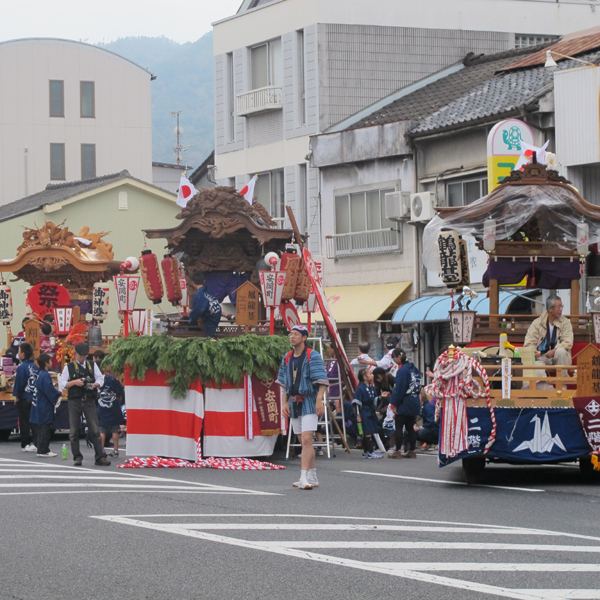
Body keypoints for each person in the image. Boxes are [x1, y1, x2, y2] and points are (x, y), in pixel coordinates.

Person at [278, 325, 329, 490]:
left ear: (304, 337)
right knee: (303, 441)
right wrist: (284, 402)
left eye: (296, 334)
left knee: (307, 439)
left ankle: (303, 477)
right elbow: (284, 383)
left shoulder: (312, 355)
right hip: (293, 402)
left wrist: (319, 399)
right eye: (291, 334)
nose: (292, 337)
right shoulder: (287, 357)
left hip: (309, 400)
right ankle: (312, 475)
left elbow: (321, 379)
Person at [59, 342, 110, 466]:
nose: (83, 358)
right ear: (75, 354)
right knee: (74, 431)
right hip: (74, 401)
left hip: (89, 400)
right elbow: (62, 383)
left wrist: (95, 384)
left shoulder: (91, 365)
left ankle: (100, 457)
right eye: (81, 355)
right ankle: (77, 457)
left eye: (85, 355)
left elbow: (100, 378)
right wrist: (75, 382)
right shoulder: (69, 366)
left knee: (95, 430)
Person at [523, 295, 573, 389]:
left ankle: (561, 386)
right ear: (550, 309)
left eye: (562, 306)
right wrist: (533, 351)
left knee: (561, 351)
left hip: (558, 356)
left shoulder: (565, 322)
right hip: (541, 356)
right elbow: (529, 342)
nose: (561, 309)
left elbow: (568, 341)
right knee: (537, 365)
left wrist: (554, 350)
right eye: (559, 307)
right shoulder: (537, 323)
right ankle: (544, 389)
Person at [388, 348, 421, 459]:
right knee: (410, 427)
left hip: (405, 401)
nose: (394, 360)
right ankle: (412, 450)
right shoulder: (414, 369)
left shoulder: (402, 371)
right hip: (415, 400)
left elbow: (399, 389)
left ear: (398, 356)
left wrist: (394, 404)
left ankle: (397, 451)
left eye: (394, 358)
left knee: (399, 426)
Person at [93, 350, 125, 457]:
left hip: (101, 405)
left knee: (102, 429)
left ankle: (102, 450)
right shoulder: (110, 378)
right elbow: (120, 390)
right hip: (113, 405)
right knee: (115, 429)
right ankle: (116, 450)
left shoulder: (95, 380)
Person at [30, 353, 61, 458]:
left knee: (41, 428)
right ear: (46, 363)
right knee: (45, 427)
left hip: (38, 403)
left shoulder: (40, 374)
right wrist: (58, 393)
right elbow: (49, 391)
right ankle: (43, 450)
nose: (51, 363)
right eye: (50, 361)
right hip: (44, 405)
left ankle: (41, 448)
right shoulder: (45, 375)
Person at [187, 271, 233, 338]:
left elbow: (198, 310)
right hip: (216, 313)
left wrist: (191, 320)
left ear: (193, 282)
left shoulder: (199, 294)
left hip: (210, 319)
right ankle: (227, 316)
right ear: (204, 281)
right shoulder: (207, 290)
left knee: (209, 339)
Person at [12, 342, 39, 453]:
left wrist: (17, 396)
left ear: (23, 354)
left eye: (19, 351)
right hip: (34, 397)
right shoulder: (35, 366)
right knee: (34, 421)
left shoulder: (22, 367)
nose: (18, 353)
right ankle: (37, 443)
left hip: (24, 397)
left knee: (24, 422)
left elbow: (20, 383)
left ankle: (26, 444)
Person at [353, 368, 383, 459]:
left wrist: (381, 397)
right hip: (364, 411)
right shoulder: (360, 388)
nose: (372, 375)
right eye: (370, 374)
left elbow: (374, 400)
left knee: (370, 430)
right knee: (368, 431)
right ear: (365, 377)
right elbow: (356, 402)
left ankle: (366, 451)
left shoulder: (372, 387)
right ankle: (370, 451)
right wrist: (358, 414)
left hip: (371, 410)